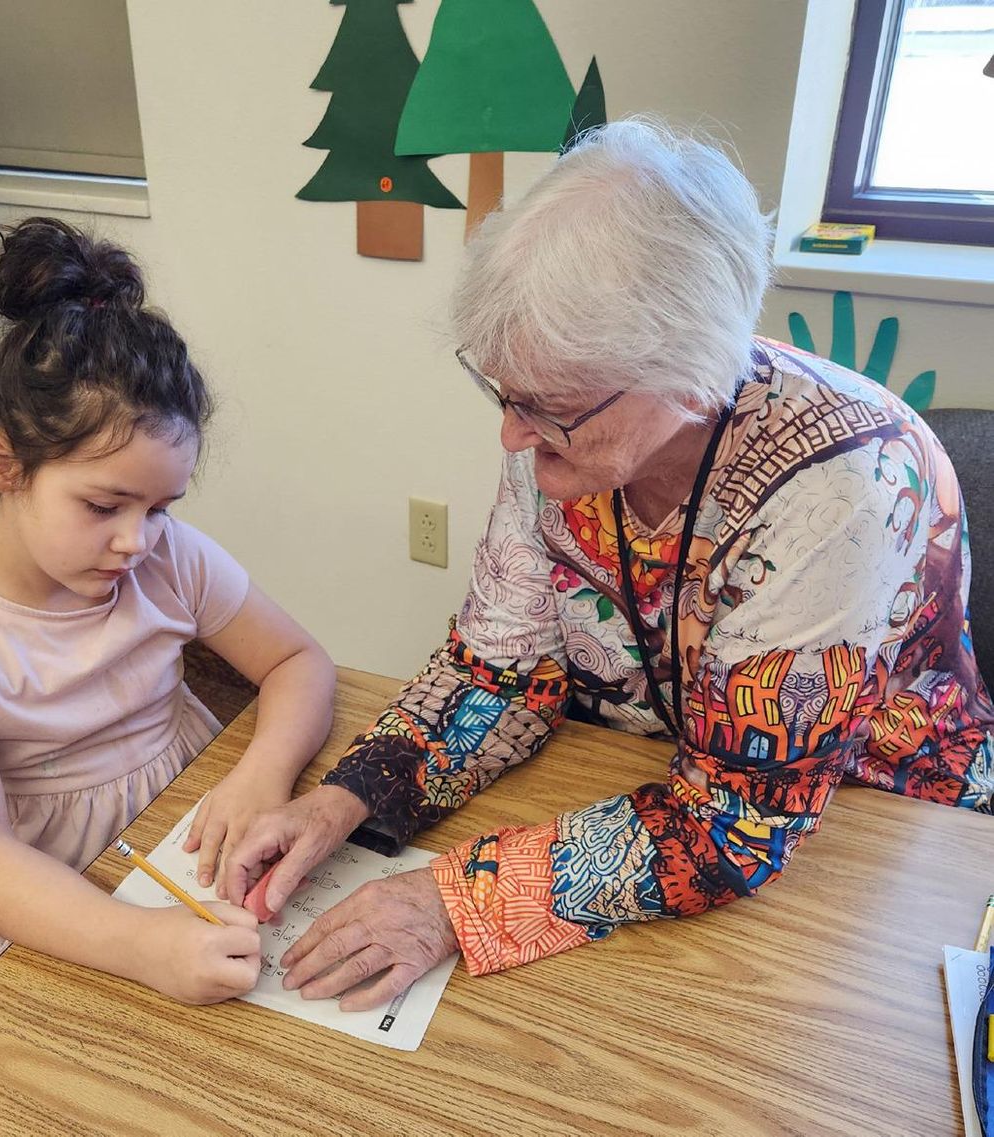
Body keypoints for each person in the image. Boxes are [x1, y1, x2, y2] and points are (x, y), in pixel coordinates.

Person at [219, 119, 994, 1011]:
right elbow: (500, 665)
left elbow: (734, 825)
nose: (511, 434)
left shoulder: (844, 491)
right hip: (638, 793)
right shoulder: (563, 436)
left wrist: (452, 900)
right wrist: (346, 799)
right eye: (503, 393)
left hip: (876, 830)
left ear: (691, 379)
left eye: (545, 406)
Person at [0, 217, 336, 1020]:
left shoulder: (169, 556)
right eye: (103, 504)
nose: (136, 539)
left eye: (160, 506)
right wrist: (142, 944)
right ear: (3, 467)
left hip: (174, 821)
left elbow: (298, 661)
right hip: (27, 883)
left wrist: (261, 773)